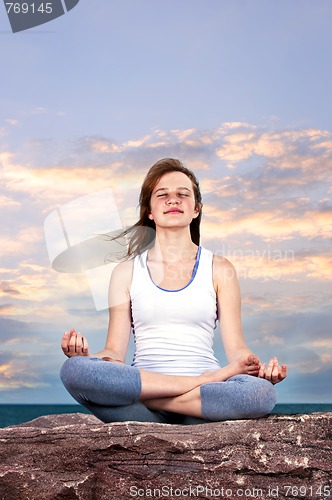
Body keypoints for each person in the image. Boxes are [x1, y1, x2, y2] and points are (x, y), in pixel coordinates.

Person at [60, 158, 287, 425]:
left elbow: (237, 350)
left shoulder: (219, 268)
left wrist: (257, 369)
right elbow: (114, 352)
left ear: (196, 209)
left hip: (204, 401)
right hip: (145, 408)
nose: (173, 200)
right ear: (150, 212)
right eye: (163, 195)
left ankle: (184, 390)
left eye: (183, 194)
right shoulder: (126, 272)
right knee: (74, 370)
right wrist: (86, 359)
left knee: (261, 394)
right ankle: (193, 383)